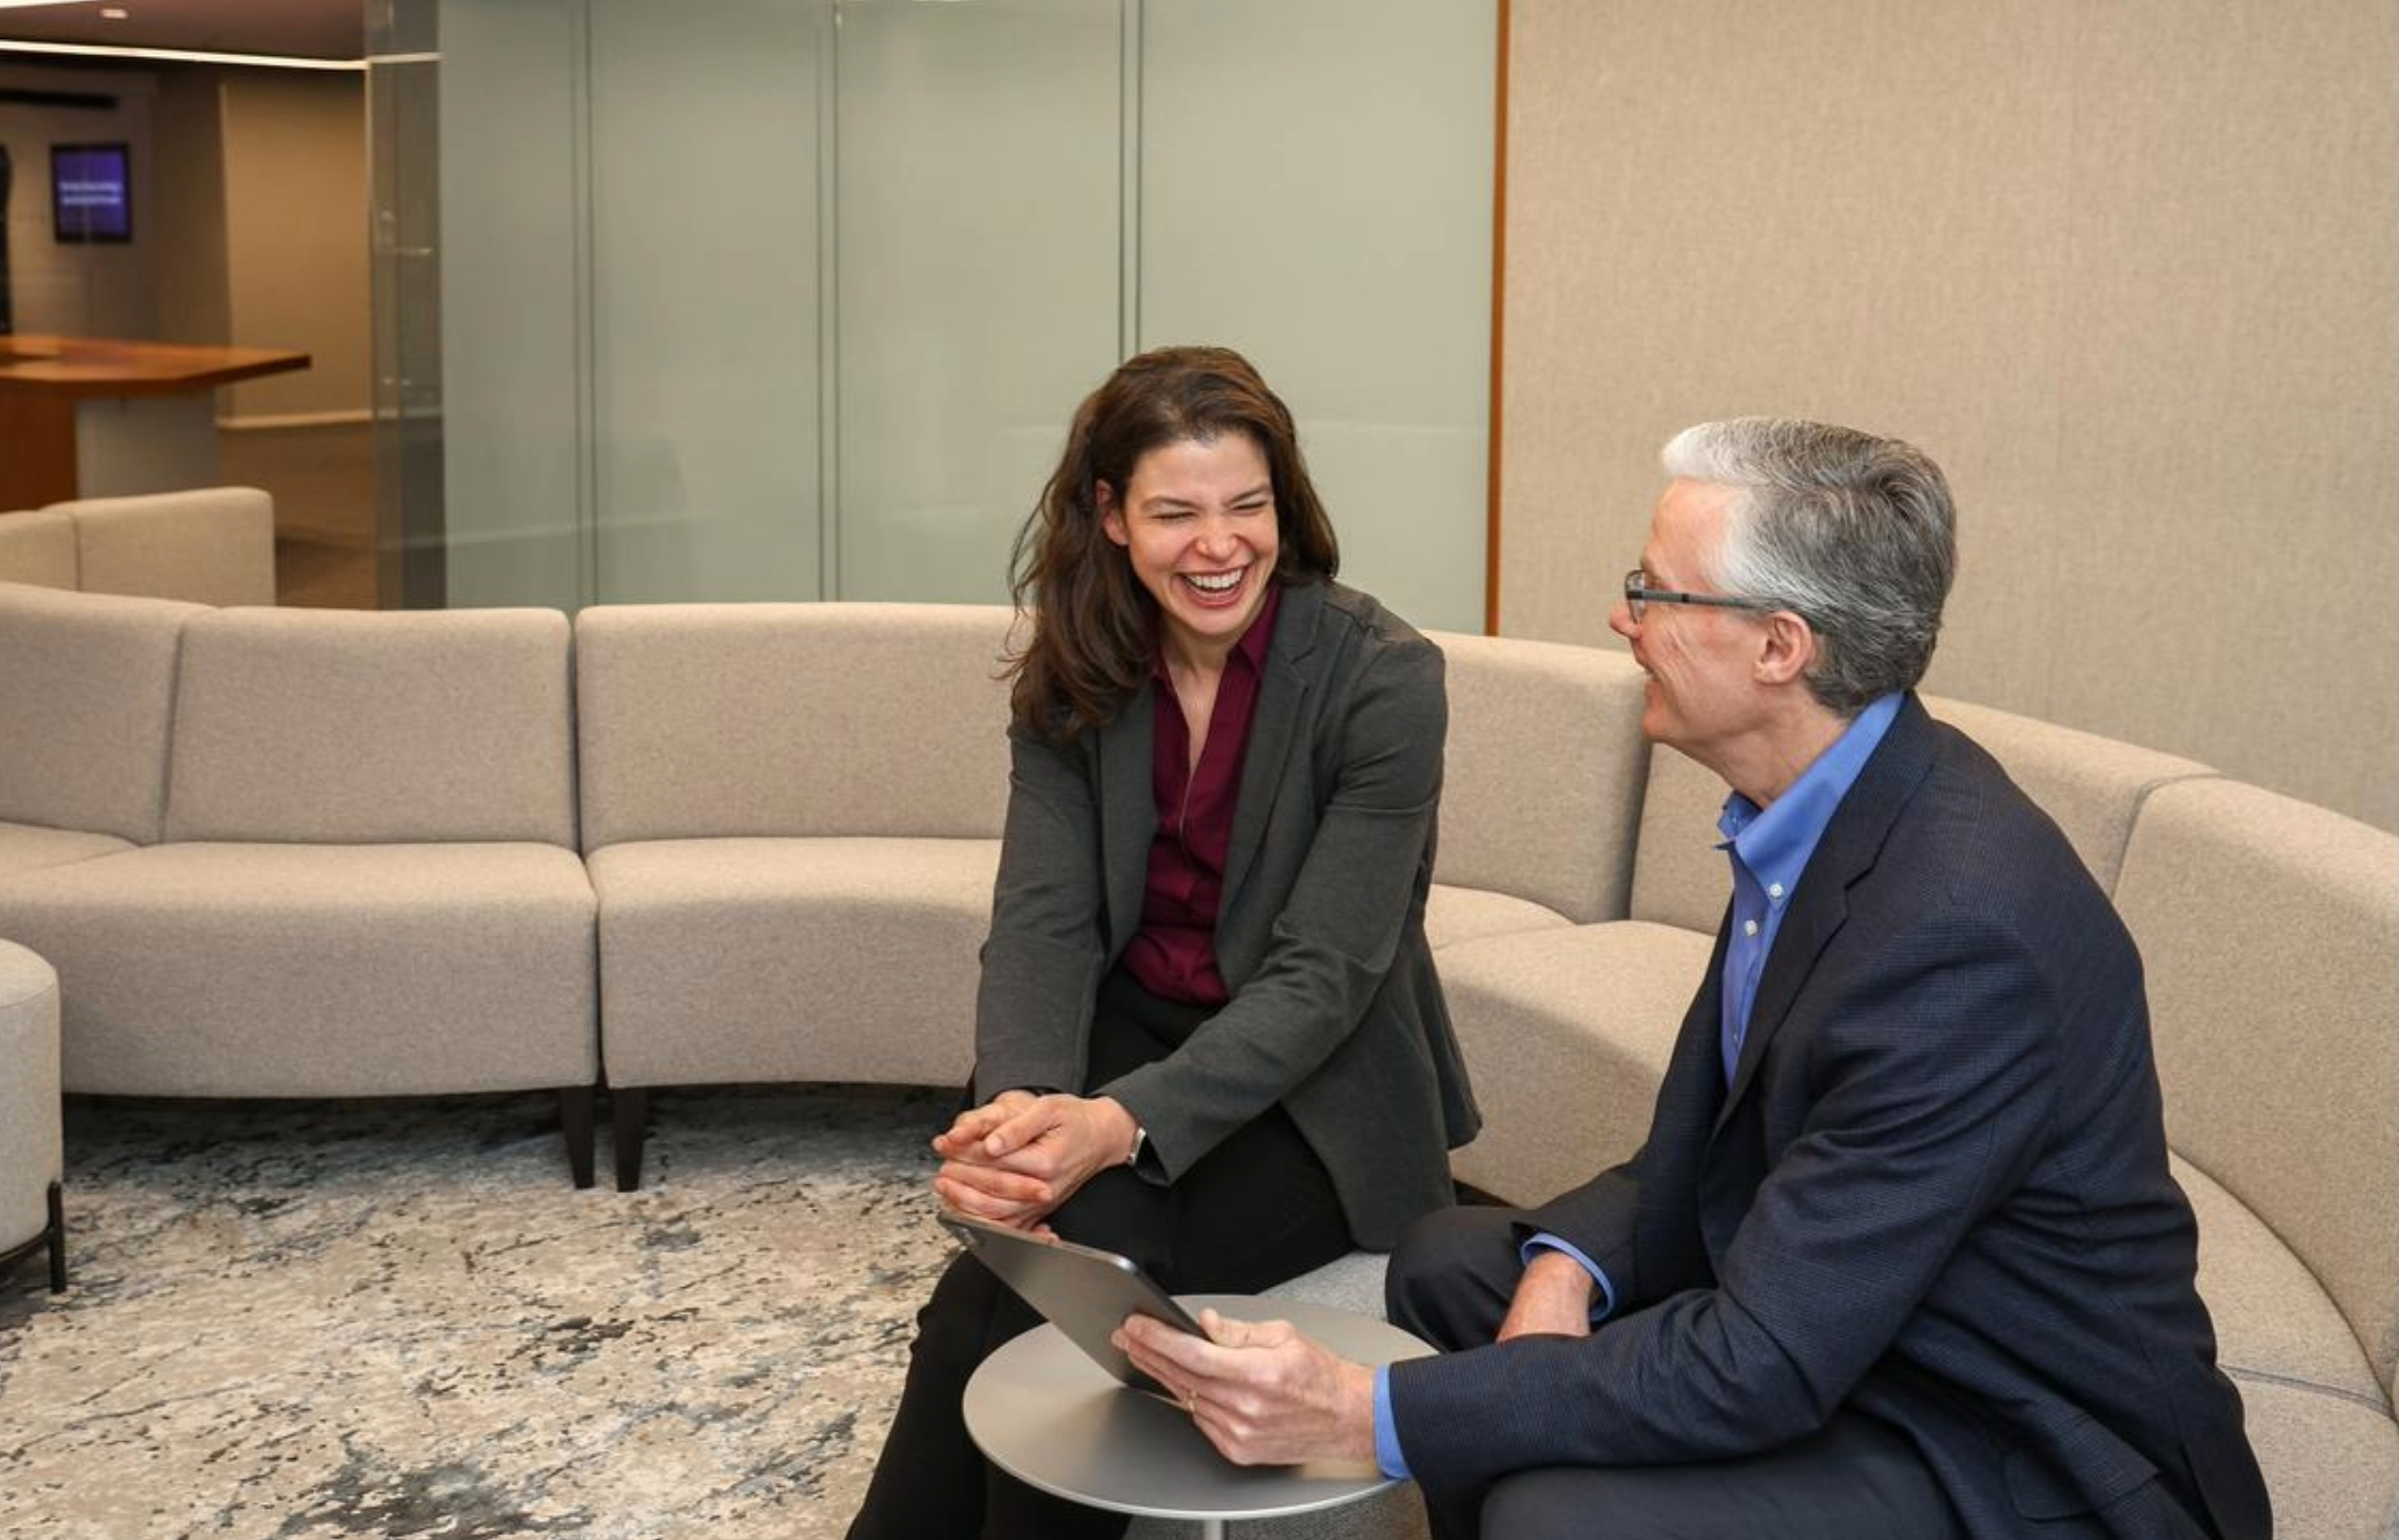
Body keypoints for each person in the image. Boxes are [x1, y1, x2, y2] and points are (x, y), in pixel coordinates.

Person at [1118, 418, 2273, 1540]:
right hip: (1859, 1308)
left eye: (1656, 592)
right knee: (1454, 1265)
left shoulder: (1960, 935)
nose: (1621, 618)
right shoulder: (1824, 805)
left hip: (2004, 1431)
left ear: (1780, 646)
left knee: (1548, 1507)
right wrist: (1566, 1267)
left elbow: (1763, 1360)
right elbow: (1719, 1136)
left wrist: (1359, 1414)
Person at [842, 345, 1480, 1540]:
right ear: (1111, 516)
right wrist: (1020, 1112)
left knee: (1044, 1306)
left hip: (1316, 1090)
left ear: (1283, 507)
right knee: (998, 1289)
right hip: (1132, 1029)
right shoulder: (1079, 665)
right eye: (1176, 512)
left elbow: (1325, 976)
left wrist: (1111, 1124)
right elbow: (1043, 917)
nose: (1219, 544)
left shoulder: (1384, 680)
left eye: (1247, 507)